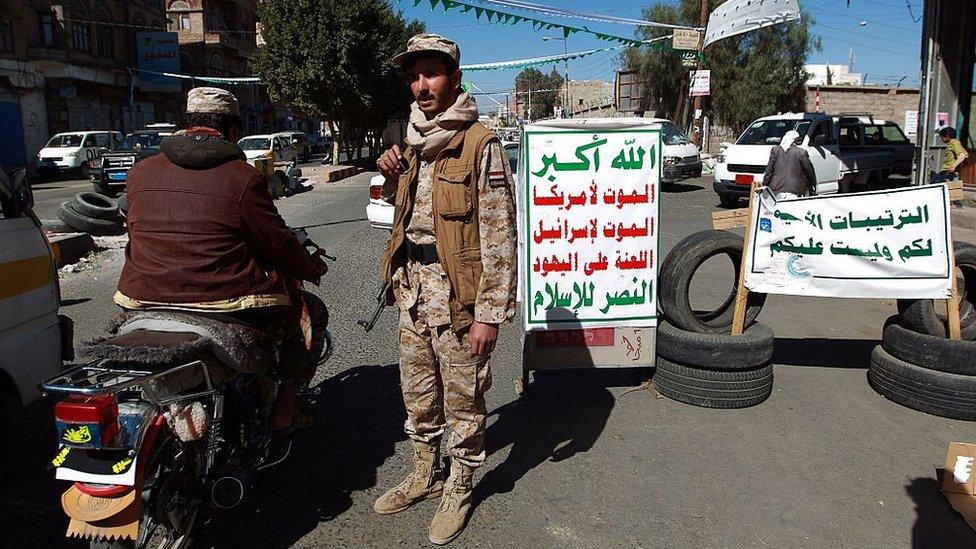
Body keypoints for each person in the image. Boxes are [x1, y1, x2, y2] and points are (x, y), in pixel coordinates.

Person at [115, 87, 329, 434]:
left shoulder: (140, 173)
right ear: (232, 131)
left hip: (142, 300)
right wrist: (311, 267)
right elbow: (276, 241)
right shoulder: (242, 177)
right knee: (312, 315)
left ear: (183, 124)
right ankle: (284, 411)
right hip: (223, 304)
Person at [373, 34, 517, 545]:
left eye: (431, 73)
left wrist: (489, 314)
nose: (421, 85)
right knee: (419, 395)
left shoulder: (481, 144)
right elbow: (407, 216)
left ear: (455, 79)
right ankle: (424, 472)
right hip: (412, 290)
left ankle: (460, 484)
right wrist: (391, 178)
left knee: (464, 398)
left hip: (458, 296)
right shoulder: (413, 141)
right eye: (414, 76)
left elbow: (500, 236)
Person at [762, 129, 817, 200]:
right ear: (795, 140)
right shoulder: (801, 152)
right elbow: (809, 170)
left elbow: (769, 170)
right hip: (796, 190)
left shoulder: (775, 150)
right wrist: (813, 183)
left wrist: (764, 184)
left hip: (776, 188)